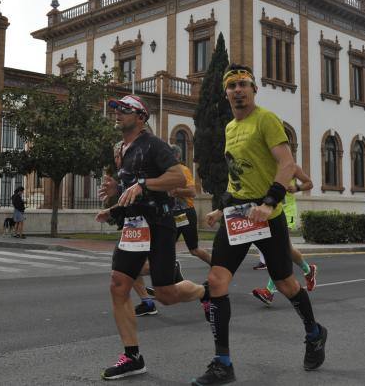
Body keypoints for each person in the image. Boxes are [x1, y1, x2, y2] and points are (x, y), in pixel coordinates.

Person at [193, 65, 327, 385]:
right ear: (226, 93)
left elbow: (287, 164)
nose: (238, 90)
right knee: (217, 280)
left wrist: (269, 203)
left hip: (268, 215)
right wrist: (221, 208)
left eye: (244, 84)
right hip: (239, 214)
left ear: (254, 89)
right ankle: (223, 363)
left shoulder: (266, 119)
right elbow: (237, 174)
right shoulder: (230, 128)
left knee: (285, 284)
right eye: (232, 86)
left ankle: (314, 333)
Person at [95, 95, 207, 380]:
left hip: (159, 225)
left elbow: (178, 178)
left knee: (166, 294)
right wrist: (115, 199)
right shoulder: (122, 149)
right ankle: (133, 357)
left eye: (125, 110)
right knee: (118, 285)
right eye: (116, 109)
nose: (117, 113)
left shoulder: (154, 145)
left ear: (141, 116)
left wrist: (143, 185)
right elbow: (131, 188)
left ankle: (205, 293)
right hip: (134, 226)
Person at [133, 144, 210, 317]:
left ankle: (218, 267)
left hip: (185, 213)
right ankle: (168, 272)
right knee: (159, 252)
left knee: (194, 249)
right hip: (169, 217)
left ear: (175, 157)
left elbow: (192, 192)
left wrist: (175, 191)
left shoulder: (182, 170)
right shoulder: (163, 172)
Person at [251, 163, 317, 306]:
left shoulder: (291, 167)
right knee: (287, 249)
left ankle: (269, 291)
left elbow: (309, 183)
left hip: (286, 211)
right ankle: (308, 270)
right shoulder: (265, 163)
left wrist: (297, 188)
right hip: (271, 211)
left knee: (279, 250)